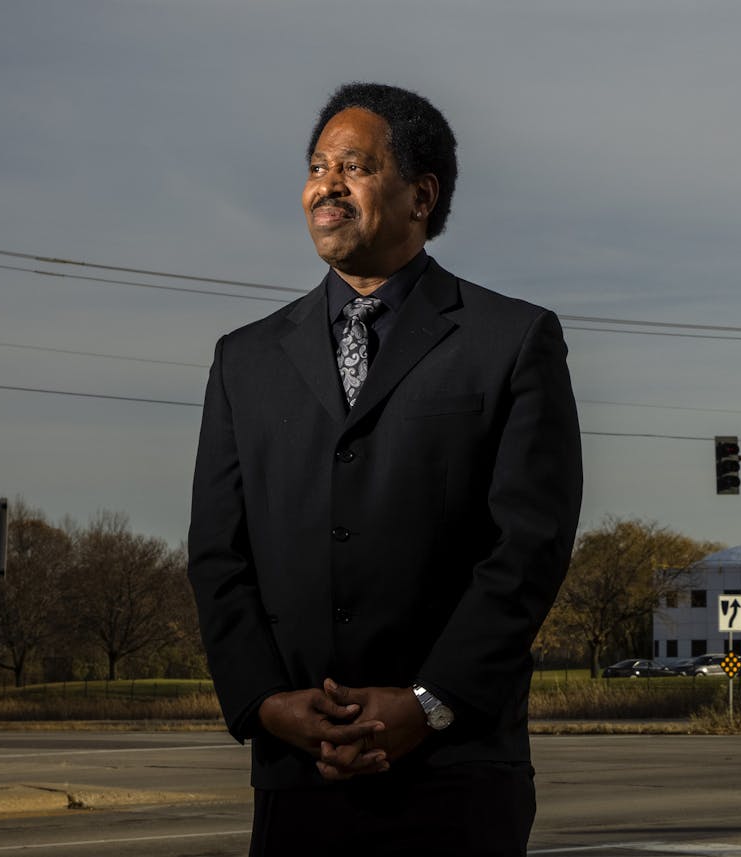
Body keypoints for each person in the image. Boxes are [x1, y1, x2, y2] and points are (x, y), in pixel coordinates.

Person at [186, 82, 583, 856]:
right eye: (316, 165)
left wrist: (428, 703)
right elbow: (216, 554)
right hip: (298, 777)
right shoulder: (245, 359)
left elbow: (527, 551)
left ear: (421, 195)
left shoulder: (512, 341)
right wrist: (268, 704)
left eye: (355, 166)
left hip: (456, 770)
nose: (325, 184)